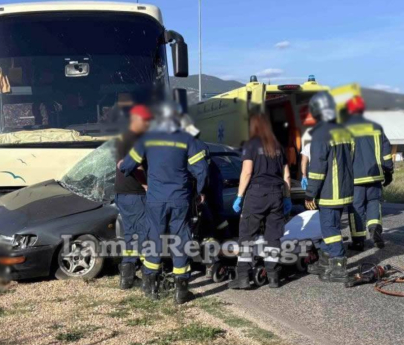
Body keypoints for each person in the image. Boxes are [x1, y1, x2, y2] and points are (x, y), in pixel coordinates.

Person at [119, 101, 209, 304]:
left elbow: (128, 164)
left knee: (154, 239)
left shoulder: (148, 139)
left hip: (156, 199)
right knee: (180, 239)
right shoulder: (187, 139)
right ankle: (181, 292)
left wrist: (126, 167)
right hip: (180, 198)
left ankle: (150, 288)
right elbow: (202, 170)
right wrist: (201, 191)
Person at [229, 113, 291, 290]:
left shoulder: (251, 145)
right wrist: (287, 198)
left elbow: (247, 172)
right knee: (273, 236)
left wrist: (240, 196)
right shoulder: (277, 146)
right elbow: (286, 175)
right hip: (276, 195)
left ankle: (243, 277)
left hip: (256, 194)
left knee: (247, 235)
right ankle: (273, 276)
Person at [304, 91, 354, 283]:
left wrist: (310, 194)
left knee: (330, 229)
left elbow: (317, 168)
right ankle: (325, 263)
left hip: (329, 192)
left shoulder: (320, 133)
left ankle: (339, 265)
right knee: (329, 227)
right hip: (344, 190)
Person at [344, 96, 393, 250]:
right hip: (375, 175)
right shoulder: (376, 127)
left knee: (356, 209)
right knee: (373, 203)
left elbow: (344, 154)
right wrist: (388, 170)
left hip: (355, 178)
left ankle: (358, 241)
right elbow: (386, 150)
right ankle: (375, 229)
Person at [115, 104, 153, 290]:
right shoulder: (133, 139)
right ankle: (149, 278)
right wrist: (145, 185)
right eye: (146, 121)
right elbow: (135, 166)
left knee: (130, 235)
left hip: (123, 192)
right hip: (134, 192)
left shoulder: (123, 137)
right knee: (144, 234)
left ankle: (127, 278)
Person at [299, 107, 316, 193]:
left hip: (312, 170)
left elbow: (303, 162)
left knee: (311, 193)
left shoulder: (308, 145)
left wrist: (304, 176)